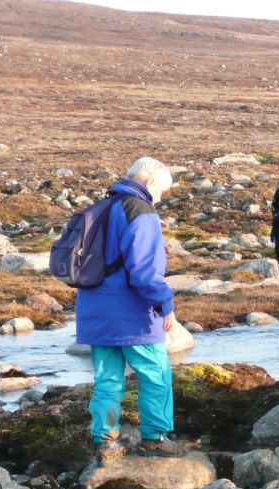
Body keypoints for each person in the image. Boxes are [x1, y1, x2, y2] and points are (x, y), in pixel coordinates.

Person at [75, 156, 185, 464]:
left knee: (108, 379)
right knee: (156, 374)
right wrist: (165, 304)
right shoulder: (141, 211)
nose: (160, 197)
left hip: (94, 311)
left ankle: (105, 441)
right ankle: (155, 437)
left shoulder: (101, 208)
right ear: (149, 182)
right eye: (161, 190)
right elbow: (144, 272)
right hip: (131, 314)